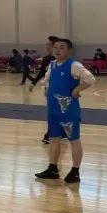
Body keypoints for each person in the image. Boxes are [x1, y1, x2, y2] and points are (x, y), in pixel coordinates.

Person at [35, 38, 95, 183]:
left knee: (74, 140)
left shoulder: (74, 65)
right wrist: (45, 88)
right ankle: (52, 169)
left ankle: (75, 171)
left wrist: (77, 89)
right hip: (53, 110)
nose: (57, 50)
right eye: (55, 47)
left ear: (69, 50)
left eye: (62, 47)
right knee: (54, 139)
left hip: (68, 111)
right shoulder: (52, 64)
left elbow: (90, 79)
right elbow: (47, 80)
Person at [29, 36, 59, 144]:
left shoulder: (61, 60)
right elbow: (42, 72)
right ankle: (52, 133)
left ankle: (51, 134)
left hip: (62, 90)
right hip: (49, 90)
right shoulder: (46, 59)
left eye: (49, 44)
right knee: (53, 112)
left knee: (56, 113)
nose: (46, 46)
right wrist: (33, 82)